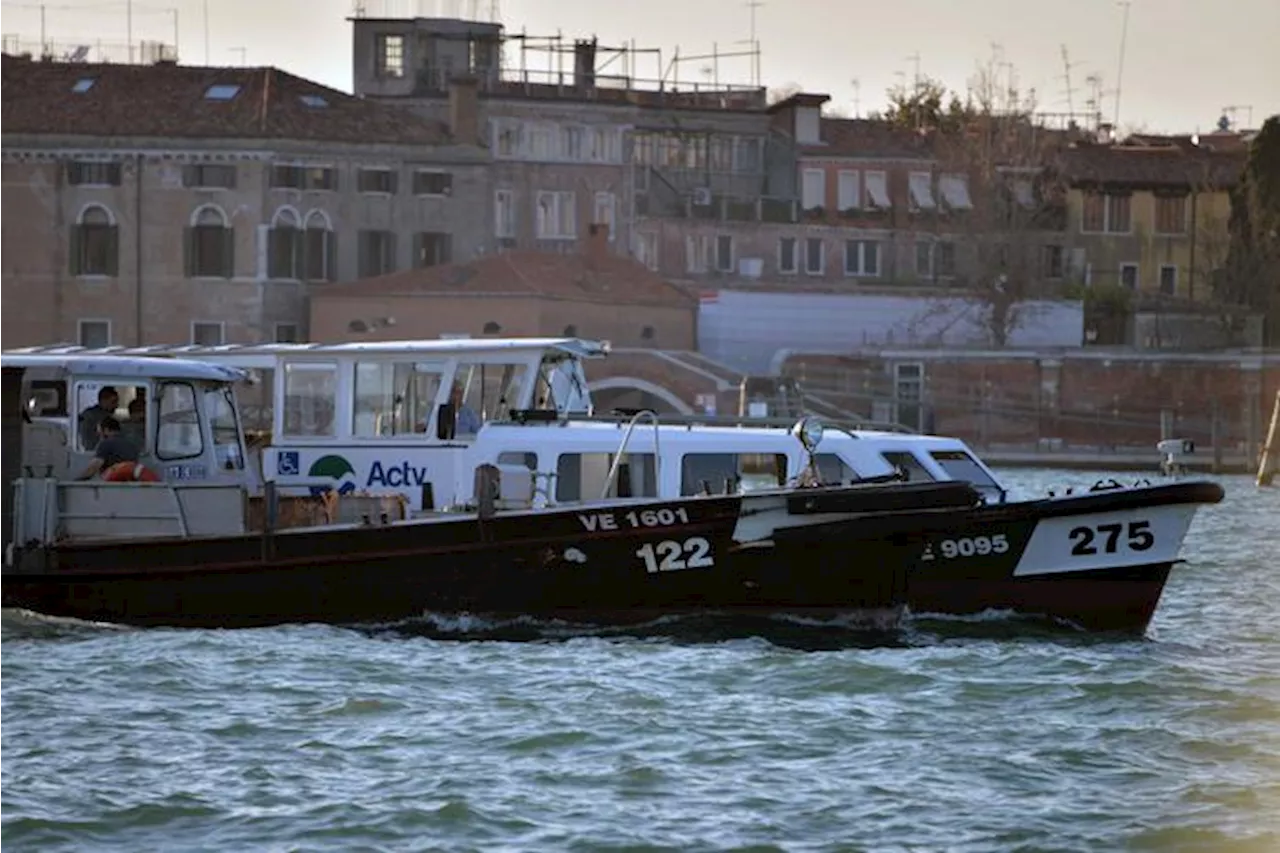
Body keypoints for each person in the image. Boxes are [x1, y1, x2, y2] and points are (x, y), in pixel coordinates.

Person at [76, 416, 139, 480]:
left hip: (112, 482)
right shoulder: (131, 444)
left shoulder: (106, 443)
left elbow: (95, 466)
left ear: (106, 430)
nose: (98, 435)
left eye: (99, 432)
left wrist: (79, 480)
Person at [78, 386, 118, 451]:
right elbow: (86, 441)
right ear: (103, 400)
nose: (116, 405)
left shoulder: (109, 416)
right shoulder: (90, 416)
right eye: (113, 402)